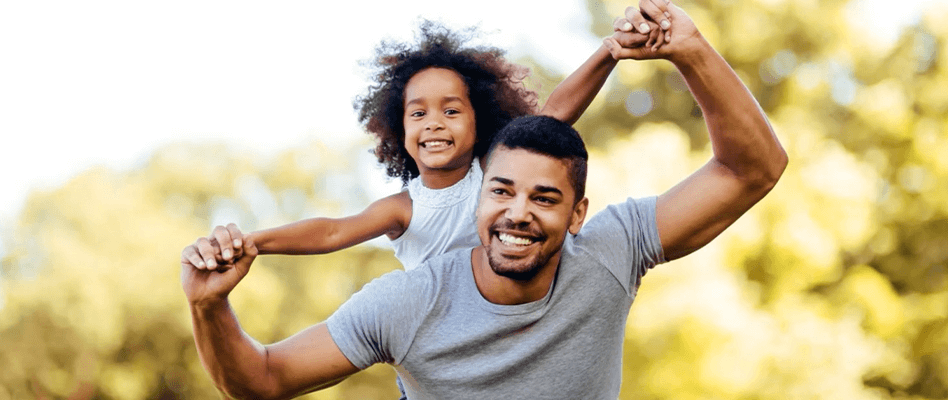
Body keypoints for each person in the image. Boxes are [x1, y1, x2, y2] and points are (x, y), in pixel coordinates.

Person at [180, 0, 788, 398]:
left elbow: (751, 169)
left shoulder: (609, 252)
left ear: (578, 214)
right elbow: (261, 377)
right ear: (480, 195)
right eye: (501, 191)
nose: (518, 210)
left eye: (545, 197)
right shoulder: (406, 296)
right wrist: (213, 304)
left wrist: (685, 47)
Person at [183, 19, 667, 274]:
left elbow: (556, 111)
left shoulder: (495, 169)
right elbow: (333, 232)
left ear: (483, 121)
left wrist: (610, 51)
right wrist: (253, 243)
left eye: (451, 111)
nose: (434, 124)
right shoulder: (405, 208)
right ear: (399, 129)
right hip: (437, 346)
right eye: (418, 113)